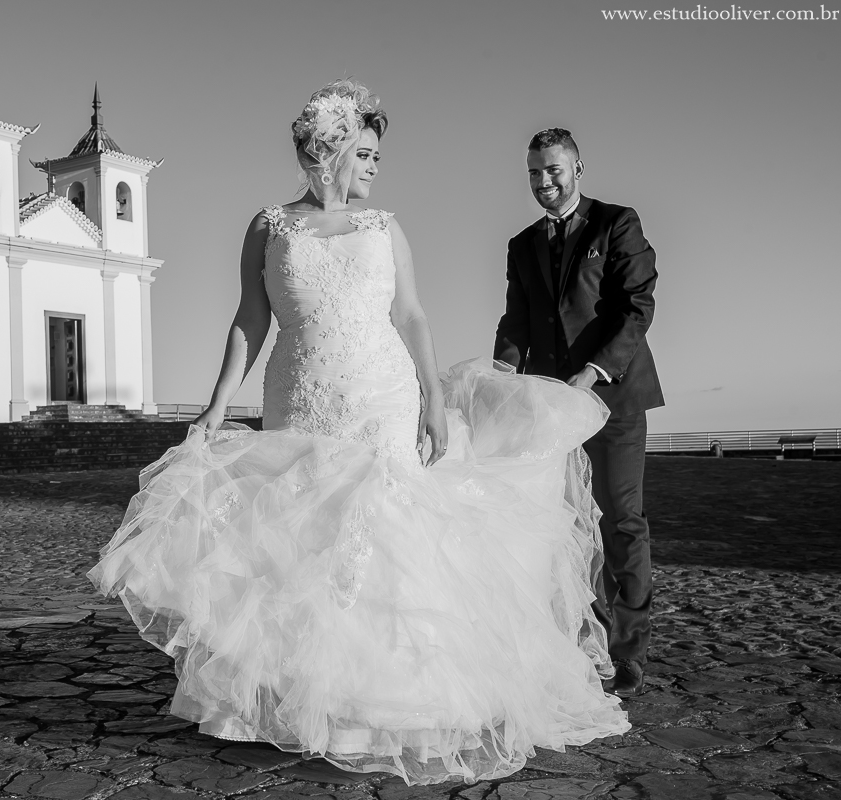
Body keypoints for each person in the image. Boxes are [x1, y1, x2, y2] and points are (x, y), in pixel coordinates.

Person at [89, 82, 628, 786]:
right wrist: (219, 403)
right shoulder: (269, 226)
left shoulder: (385, 227)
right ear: (331, 151)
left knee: (383, 536)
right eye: (365, 153)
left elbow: (412, 316)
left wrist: (434, 399)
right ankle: (289, 704)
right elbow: (250, 318)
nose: (374, 166)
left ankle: (384, 705)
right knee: (299, 538)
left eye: (378, 154)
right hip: (300, 395)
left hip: (383, 394)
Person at [494, 128, 663, 698]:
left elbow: (636, 308)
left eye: (554, 171)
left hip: (612, 399)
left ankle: (628, 652)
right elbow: (516, 318)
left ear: (578, 167)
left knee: (619, 521)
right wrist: (502, 372)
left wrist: (591, 374)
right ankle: (582, 644)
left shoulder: (616, 222)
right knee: (565, 527)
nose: (545, 182)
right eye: (535, 173)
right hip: (549, 409)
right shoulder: (521, 244)